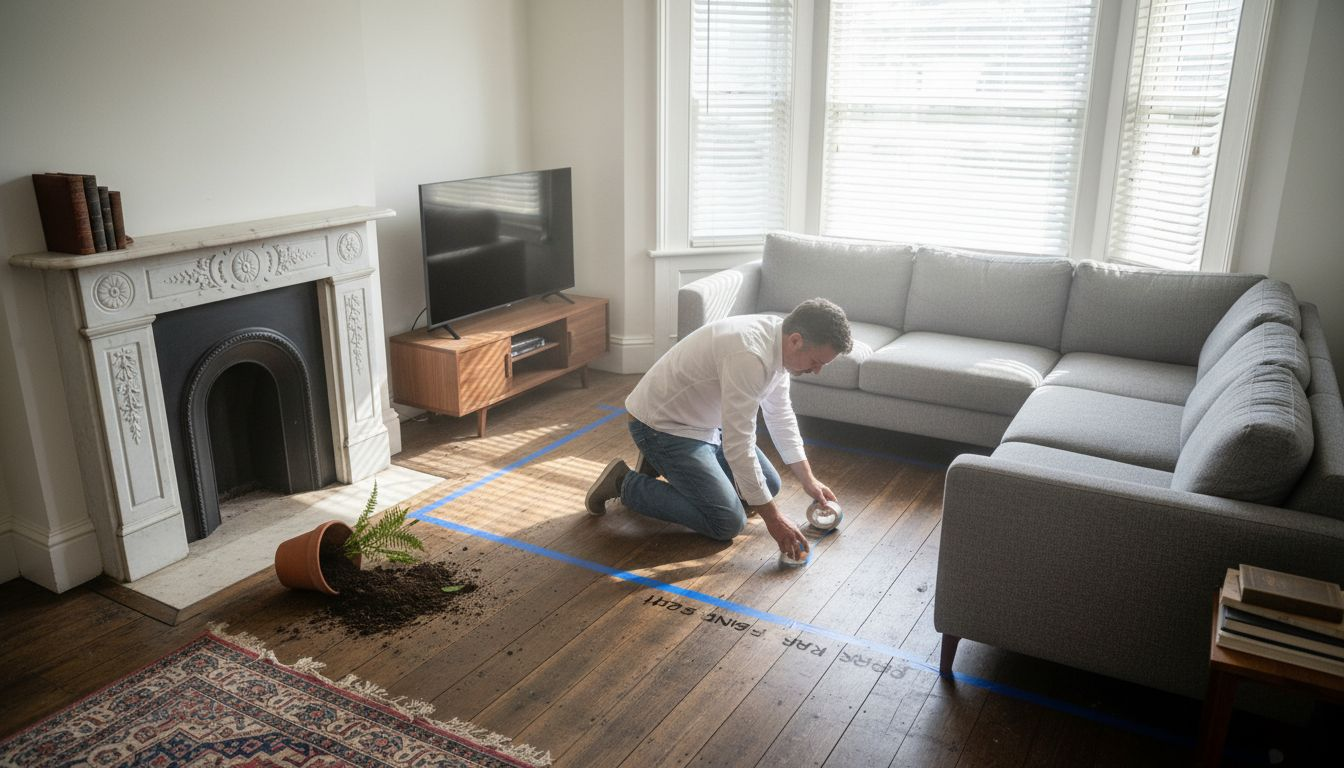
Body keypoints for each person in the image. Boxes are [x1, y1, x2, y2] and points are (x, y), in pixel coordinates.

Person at [585, 298, 853, 561]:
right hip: (662, 427)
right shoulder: (749, 355)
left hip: (706, 424)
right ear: (796, 340)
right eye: (816, 361)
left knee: (769, 486)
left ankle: (661, 463)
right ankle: (623, 482)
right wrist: (775, 520)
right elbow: (739, 448)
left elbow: (780, 415)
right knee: (727, 522)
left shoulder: (780, 342)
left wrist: (809, 480)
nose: (817, 370)